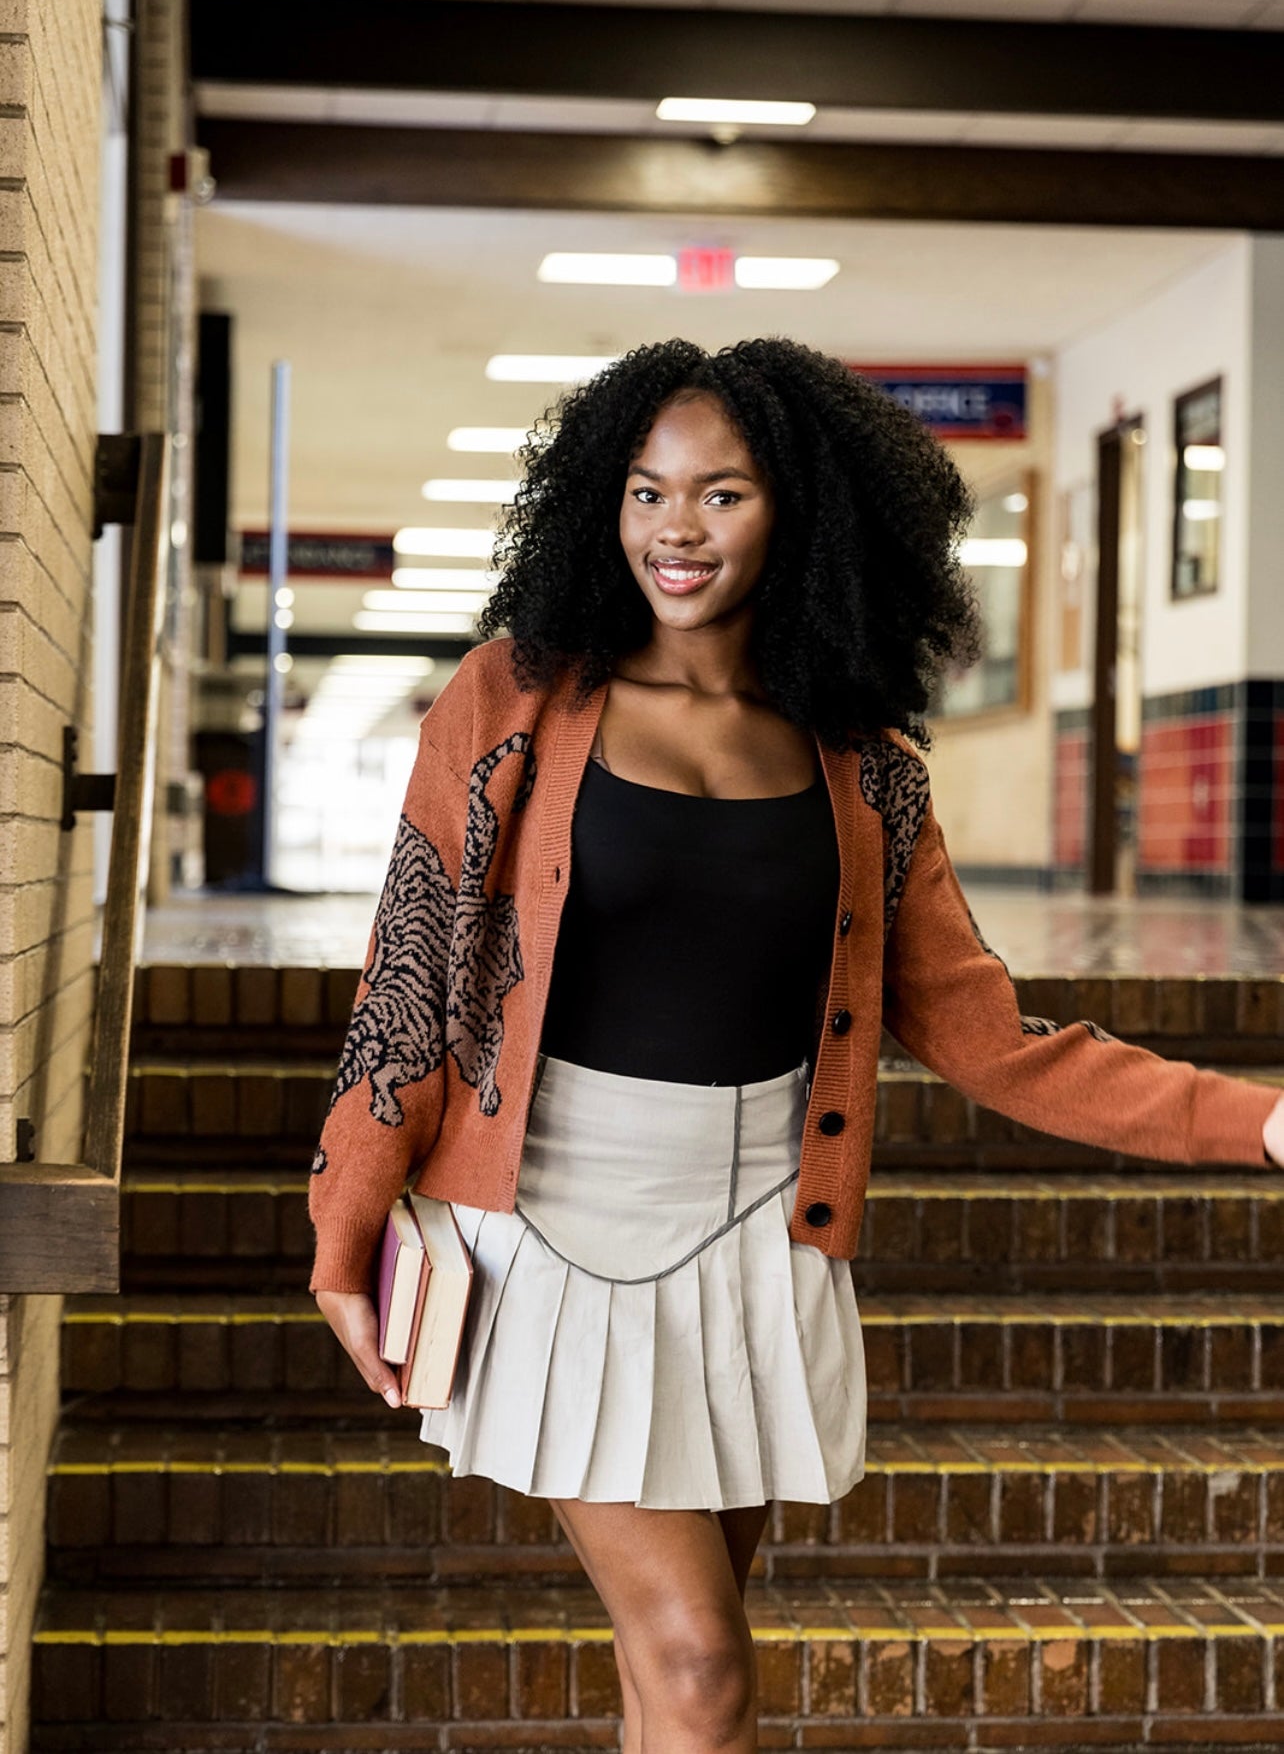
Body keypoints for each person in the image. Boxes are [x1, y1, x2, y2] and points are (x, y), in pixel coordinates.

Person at [310, 336, 1284, 1753]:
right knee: (703, 1665)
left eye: (722, 493)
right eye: (647, 493)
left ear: (802, 511)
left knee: (681, 1680)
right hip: (560, 1226)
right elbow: (409, 974)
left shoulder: (864, 763)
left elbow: (994, 1038)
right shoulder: (510, 701)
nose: (676, 531)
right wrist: (344, 1226)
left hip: (765, 1233)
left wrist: (1255, 1120)